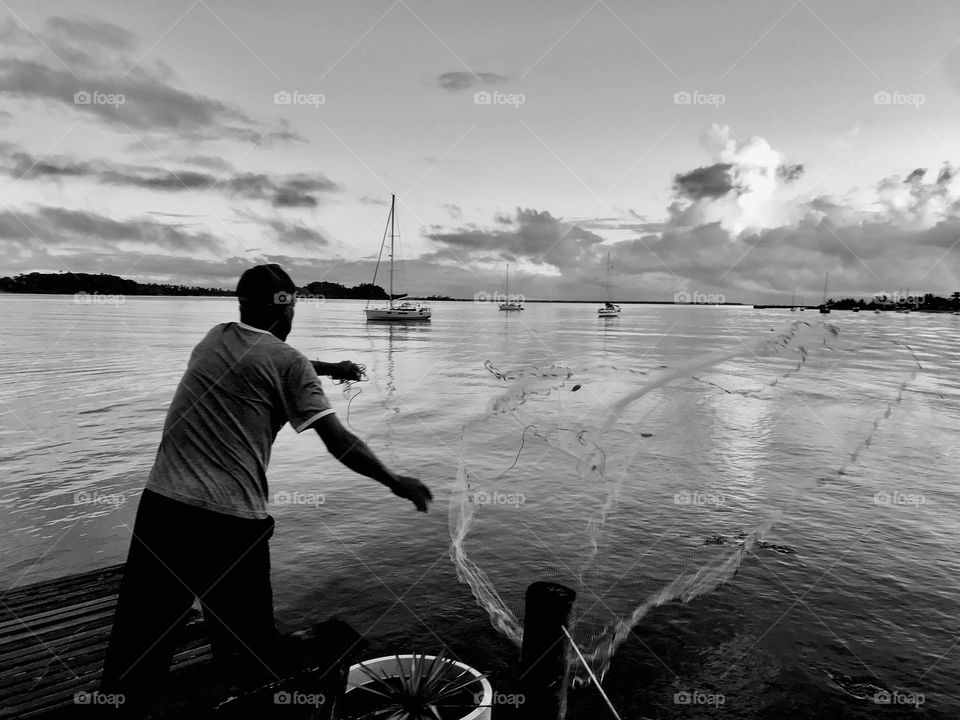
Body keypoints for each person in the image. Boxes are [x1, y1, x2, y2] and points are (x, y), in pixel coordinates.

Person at [100, 263, 432, 697]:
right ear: (289, 309)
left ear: (241, 305)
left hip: (162, 510)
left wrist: (329, 366)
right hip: (230, 526)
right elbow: (339, 441)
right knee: (246, 658)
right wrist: (394, 480)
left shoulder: (213, 339)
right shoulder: (288, 363)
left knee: (138, 649)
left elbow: (269, 358)